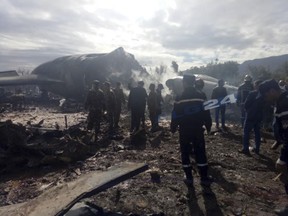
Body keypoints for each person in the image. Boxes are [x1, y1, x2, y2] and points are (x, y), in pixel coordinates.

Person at [170, 74, 212, 188]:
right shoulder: (201, 95)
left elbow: (175, 114)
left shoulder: (179, 97)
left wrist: (173, 127)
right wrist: (208, 126)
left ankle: (189, 177)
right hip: (198, 129)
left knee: (185, 152)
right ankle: (204, 178)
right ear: (194, 82)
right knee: (200, 152)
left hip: (184, 129)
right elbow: (206, 112)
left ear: (184, 82)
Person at [258, 79, 288, 195]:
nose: (265, 99)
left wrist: (283, 158)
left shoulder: (284, 104)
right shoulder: (281, 100)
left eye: (265, 96)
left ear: (272, 91)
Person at [238, 80, 264, 155]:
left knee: (246, 132)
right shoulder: (264, 95)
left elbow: (246, 104)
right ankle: (257, 149)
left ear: (256, 86)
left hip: (250, 115)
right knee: (257, 133)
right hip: (259, 117)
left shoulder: (252, 93)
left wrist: (247, 111)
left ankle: (245, 149)